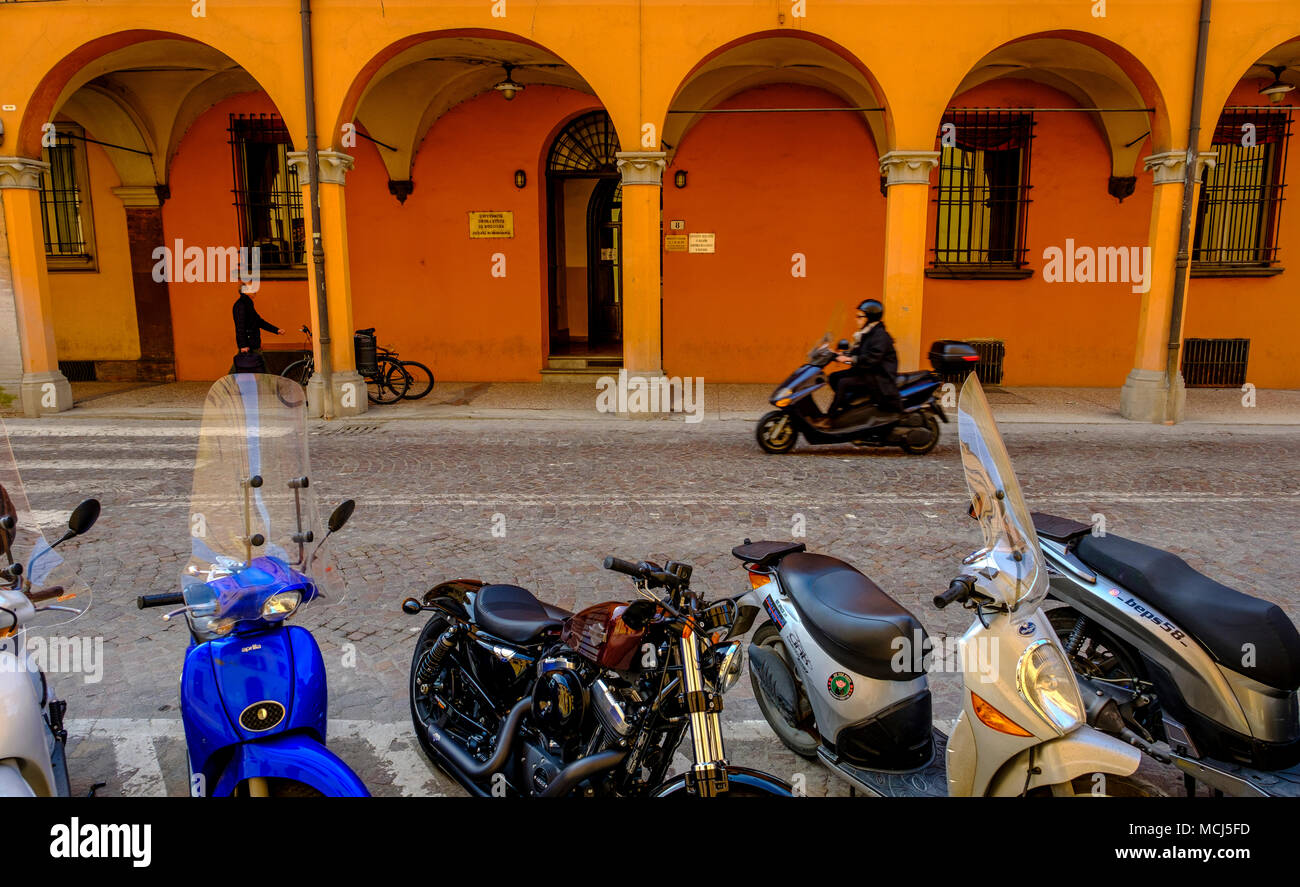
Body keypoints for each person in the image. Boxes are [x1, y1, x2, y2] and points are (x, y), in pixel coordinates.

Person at [815, 298, 901, 429]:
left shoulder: (880, 336)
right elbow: (859, 352)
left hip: (879, 377)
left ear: (870, 318)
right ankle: (849, 411)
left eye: (860, 316)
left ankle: (830, 418)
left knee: (844, 383)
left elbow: (872, 359)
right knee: (834, 377)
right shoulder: (868, 333)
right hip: (868, 372)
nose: (856, 319)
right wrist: (839, 354)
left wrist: (849, 360)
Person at [231, 284, 283, 374]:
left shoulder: (247, 304)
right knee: (261, 369)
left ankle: (228, 385)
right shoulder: (241, 305)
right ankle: (269, 386)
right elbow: (240, 326)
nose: (255, 291)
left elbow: (259, 322)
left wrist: (276, 330)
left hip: (251, 343)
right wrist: (243, 345)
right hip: (249, 344)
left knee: (243, 368)